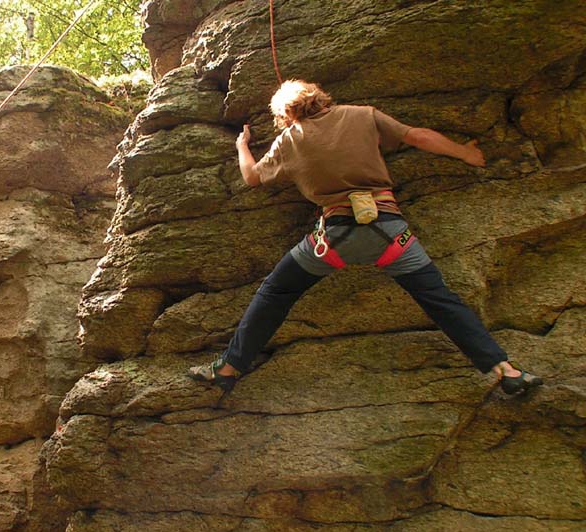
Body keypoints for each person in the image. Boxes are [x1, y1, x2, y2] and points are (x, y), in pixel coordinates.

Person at [189, 79, 542, 396]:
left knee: (276, 292)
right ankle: (505, 370)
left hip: (332, 242)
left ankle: (229, 368)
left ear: (285, 114)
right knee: (442, 302)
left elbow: (251, 177)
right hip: (392, 236)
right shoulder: (363, 115)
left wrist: (242, 145)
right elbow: (417, 136)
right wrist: (465, 152)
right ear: (319, 97)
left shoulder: (288, 140)